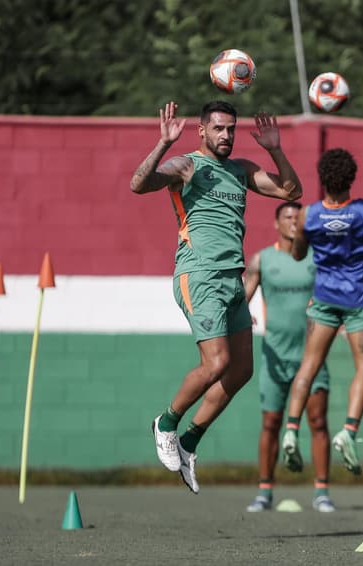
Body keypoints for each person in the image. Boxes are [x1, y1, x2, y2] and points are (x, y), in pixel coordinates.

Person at [129, 100, 302, 494]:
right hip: (199, 275)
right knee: (217, 362)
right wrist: (162, 145)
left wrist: (274, 147)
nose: (226, 136)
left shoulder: (240, 170)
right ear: (201, 131)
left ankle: (189, 442)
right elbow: (139, 183)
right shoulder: (187, 166)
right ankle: (166, 423)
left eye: (231, 129)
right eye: (218, 129)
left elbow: (292, 190)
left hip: (232, 281)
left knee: (240, 370)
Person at [280, 148, 363, 477]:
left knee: (309, 365)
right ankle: (348, 431)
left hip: (324, 299)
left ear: (322, 180)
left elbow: (298, 255)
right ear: (352, 178)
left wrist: (307, 238)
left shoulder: (308, 216)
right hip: (361, 299)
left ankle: (290, 430)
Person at [243, 201, 336, 513]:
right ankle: (264, 492)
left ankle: (322, 492)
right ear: (276, 224)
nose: (294, 222)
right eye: (287, 217)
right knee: (271, 423)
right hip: (275, 358)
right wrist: (243, 316)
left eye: (298, 217)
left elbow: (335, 294)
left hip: (312, 357)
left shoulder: (317, 259)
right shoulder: (263, 260)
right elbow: (243, 298)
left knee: (318, 421)